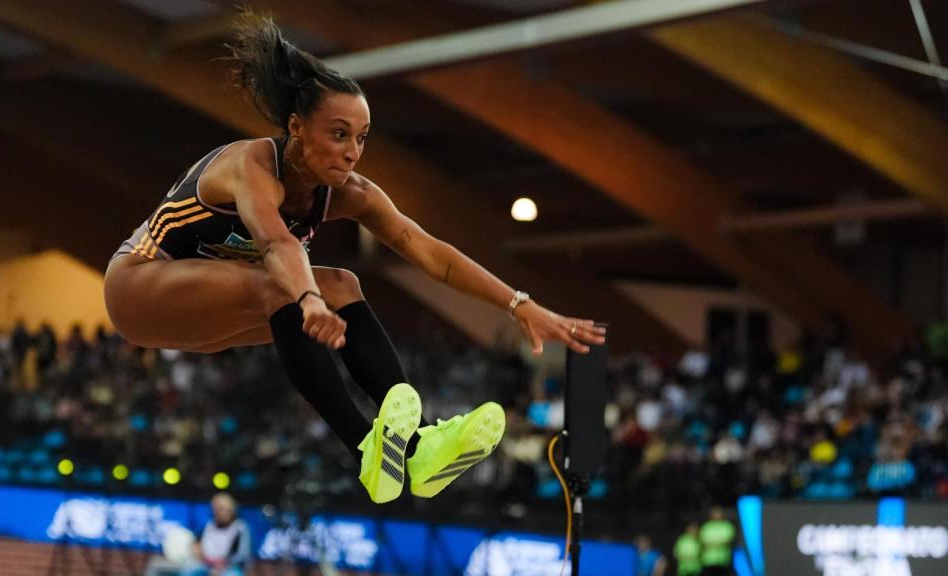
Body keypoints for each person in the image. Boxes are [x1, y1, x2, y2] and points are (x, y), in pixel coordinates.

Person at [103, 11, 605, 504]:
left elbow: (430, 252)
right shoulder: (250, 165)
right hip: (139, 288)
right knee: (287, 284)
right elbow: (277, 244)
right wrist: (307, 299)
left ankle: (419, 450)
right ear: (297, 127)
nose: (352, 151)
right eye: (339, 134)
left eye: (361, 137)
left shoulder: (352, 192)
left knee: (343, 284)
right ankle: (364, 446)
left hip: (207, 313)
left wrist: (519, 304)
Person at [145, 493, 251, 576]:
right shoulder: (208, 526)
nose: (220, 513)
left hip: (228, 568)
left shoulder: (240, 528)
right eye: (217, 509)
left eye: (223, 509)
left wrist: (222, 566)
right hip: (204, 564)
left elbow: (241, 556)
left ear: (231, 510)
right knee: (188, 571)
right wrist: (196, 549)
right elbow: (195, 542)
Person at [699, 508, 736, 575]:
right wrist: (719, 543)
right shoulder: (706, 527)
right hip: (709, 560)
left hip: (723, 559)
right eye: (715, 513)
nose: (717, 515)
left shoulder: (727, 526)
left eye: (718, 513)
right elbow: (703, 542)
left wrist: (713, 544)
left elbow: (729, 541)